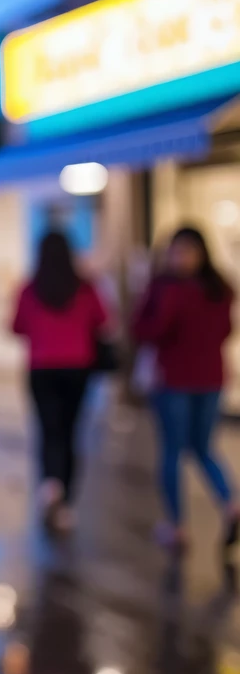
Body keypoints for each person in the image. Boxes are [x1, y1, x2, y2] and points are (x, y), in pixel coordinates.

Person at [135, 227, 237, 551]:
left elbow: (148, 329)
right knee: (203, 447)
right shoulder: (218, 288)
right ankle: (230, 503)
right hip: (210, 377)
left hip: (174, 379)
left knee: (174, 451)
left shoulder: (168, 288)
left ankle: (177, 525)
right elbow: (225, 330)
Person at [11, 231, 109, 533]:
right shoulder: (85, 287)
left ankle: (50, 484)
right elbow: (104, 320)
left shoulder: (30, 289)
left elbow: (16, 327)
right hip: (77, 369)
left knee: (48, 431)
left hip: (41, 369)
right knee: (69, 434)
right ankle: (64, 502)